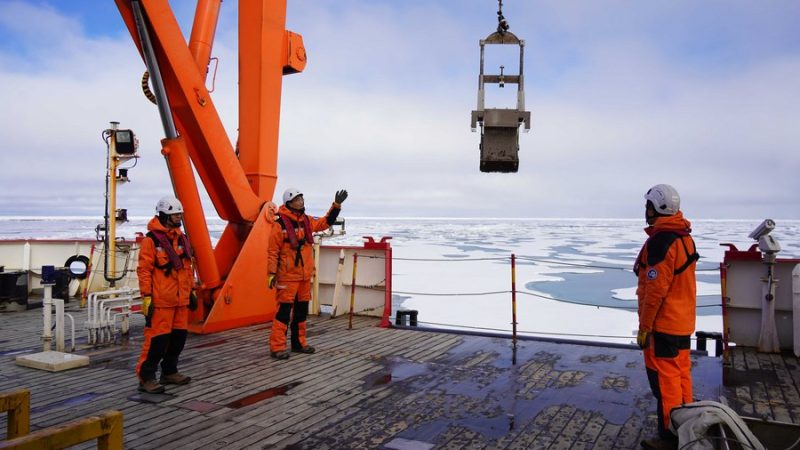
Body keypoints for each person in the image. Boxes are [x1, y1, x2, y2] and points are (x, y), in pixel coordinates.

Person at [634, 184, 699, 450]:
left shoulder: (661, 242)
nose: (645, 211)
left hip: (664, 325)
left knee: (666, 384)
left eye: (648, 206)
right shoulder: (684, 237)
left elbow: (655, 290)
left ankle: (670, 438)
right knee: (681, 378)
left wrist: (645, 327)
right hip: (683, 323)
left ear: (657, 208)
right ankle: (689, 428)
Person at [267, 187, 347, 359]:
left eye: (301, 198)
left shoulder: (307, 221)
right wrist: (271, 273)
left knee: (301, 311)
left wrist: (336, 206)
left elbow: (325, 223)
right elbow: (272, 251)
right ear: (289, 203)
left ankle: (299, 344)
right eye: (297, 199)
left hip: (304, 276)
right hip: (287, 277)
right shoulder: (279, 224)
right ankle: (277, 347)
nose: (301, 201)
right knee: (283, 313)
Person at [136, 196, 197, 393]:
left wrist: (191, 292)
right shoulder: (151, 241)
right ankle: (146, 377)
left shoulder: (182, 239)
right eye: (175, 214)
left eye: (179, 214)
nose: (179, 217)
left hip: (180, 300)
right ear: (164, 215)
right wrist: (146, 296)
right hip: (162, 301)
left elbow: (188, 268)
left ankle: (169, 371)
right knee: (156, 341)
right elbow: (144, 270)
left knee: (179, 338)